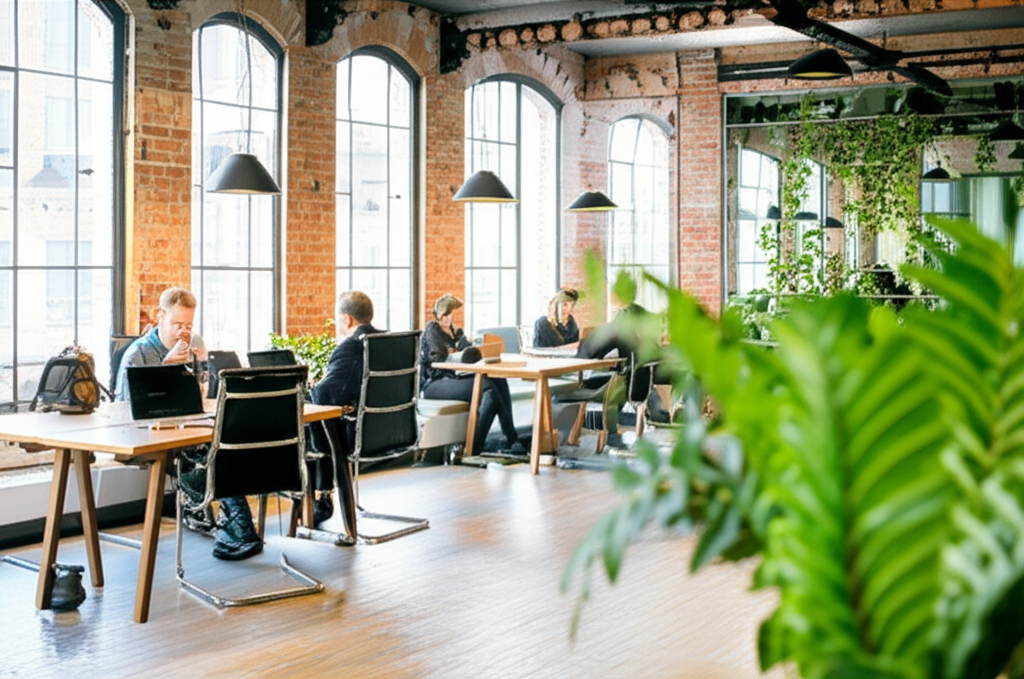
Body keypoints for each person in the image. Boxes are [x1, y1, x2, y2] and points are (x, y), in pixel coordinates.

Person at [114, 287, 262, 561]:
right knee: (212, 450)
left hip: (186, 430)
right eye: (177, 324)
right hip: (148, 437)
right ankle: (241, 525)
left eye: (189, 325)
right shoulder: (137, 355)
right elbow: (123, 412)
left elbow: (194, 399)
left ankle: (238, 524)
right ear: (160, 317)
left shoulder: (189, 351)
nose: (183, 331)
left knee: (226, 440)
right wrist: (165, 368)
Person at [310, 291, 384, 526]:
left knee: (315, 419)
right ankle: (322, 494)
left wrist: (313, 387)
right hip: (388, 431)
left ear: (347, 319)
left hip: (357, 435)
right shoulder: (388, 342)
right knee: (326, 419)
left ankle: (318, 499)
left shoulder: (351, 347)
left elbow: (324, 393)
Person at [420, 294, 523, 455]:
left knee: (499, 379)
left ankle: (511, 438)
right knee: (489, 388)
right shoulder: (433, 329)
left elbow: (471, 357)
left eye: (452, 314)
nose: (449, 318)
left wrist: (463, 348)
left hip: (454, 378)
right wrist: (457, 351)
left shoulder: (456, 333)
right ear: (440, 315)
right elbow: (438, 359)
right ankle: (475, 445)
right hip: (435, 383)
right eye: (447, 314)